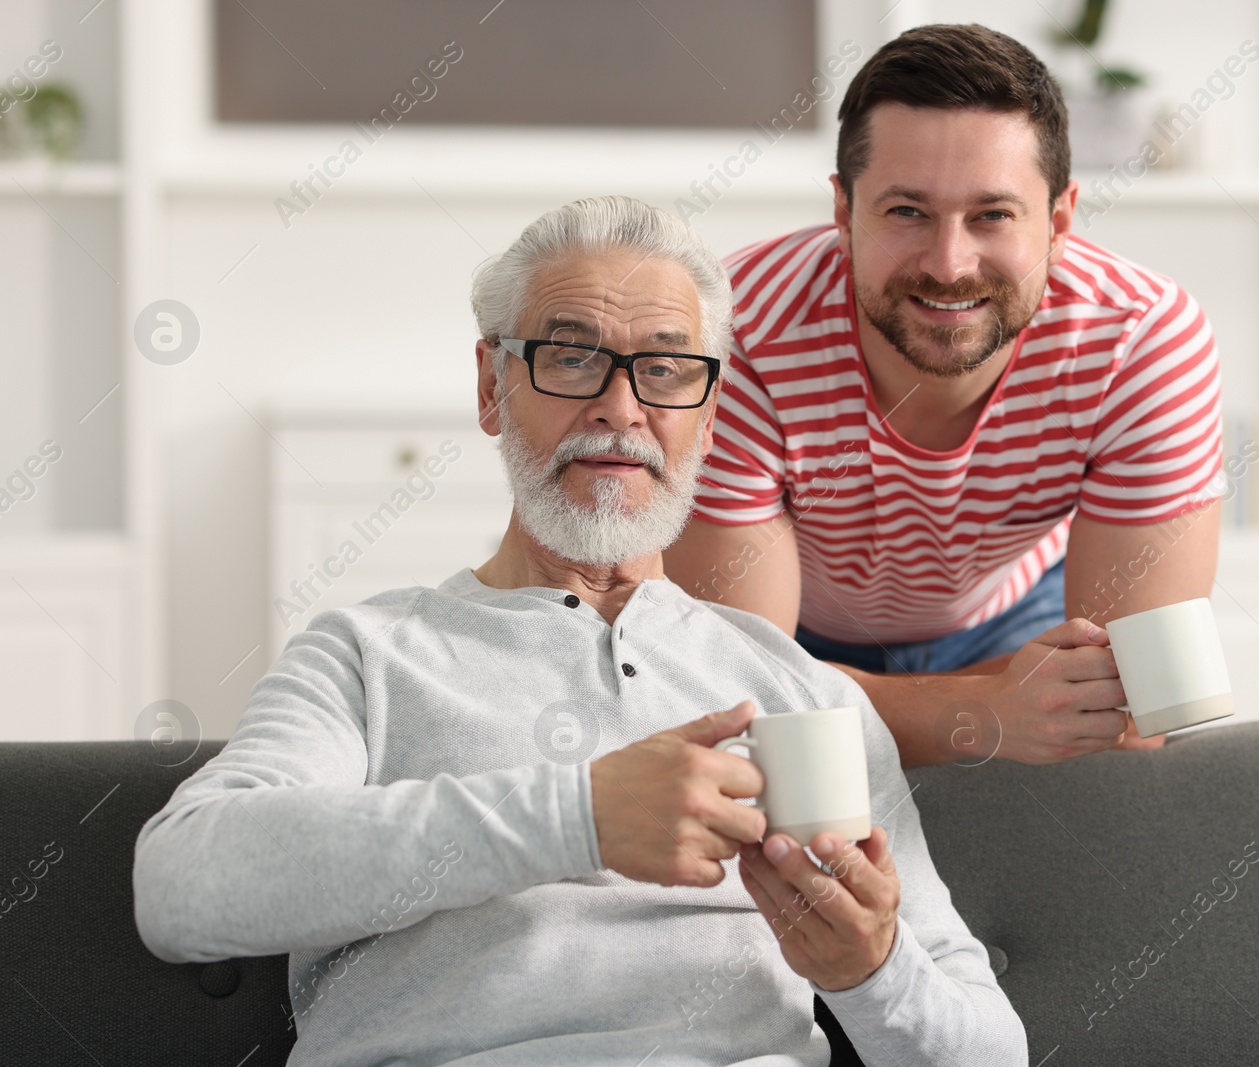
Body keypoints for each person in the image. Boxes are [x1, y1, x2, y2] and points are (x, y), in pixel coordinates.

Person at [133, 196, 1027, 1067]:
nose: (620, 407)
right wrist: (580, 816)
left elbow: (991, 1050)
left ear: (709, 416)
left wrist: (872, 973)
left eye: (668, 370)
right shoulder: (368, 653)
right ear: (492, 386)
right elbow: (181, 886)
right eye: (570, 357)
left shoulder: (802, 689)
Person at [666, 23, 1225, 769]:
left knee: (1115, 787)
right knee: (763, 779)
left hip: (1019, 620)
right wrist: (981, 710)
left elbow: (1144, 708)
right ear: (843, 212)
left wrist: (1004, 701)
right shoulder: (732, 338)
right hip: (801, 633)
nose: (949, 265)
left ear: (1059, 222)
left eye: (992, 215)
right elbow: (740, 703)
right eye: (907, 212)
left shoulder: (1141, 341)